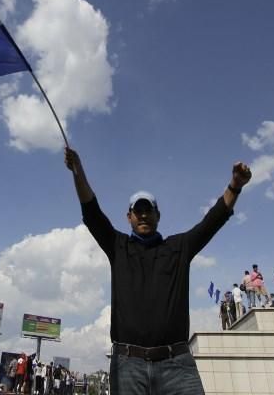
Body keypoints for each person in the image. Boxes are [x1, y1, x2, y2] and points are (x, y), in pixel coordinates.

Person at [65, 147, 251, 395]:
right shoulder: (117, 246)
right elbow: (91, 210)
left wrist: (235, 185)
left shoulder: (179, 247)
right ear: (128, 216)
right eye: (137, 211)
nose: (143, 215)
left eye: (148, 210)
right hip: (127, 365)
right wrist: (78, 172)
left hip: (177, 366)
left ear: (158, 215)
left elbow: (212, 221)